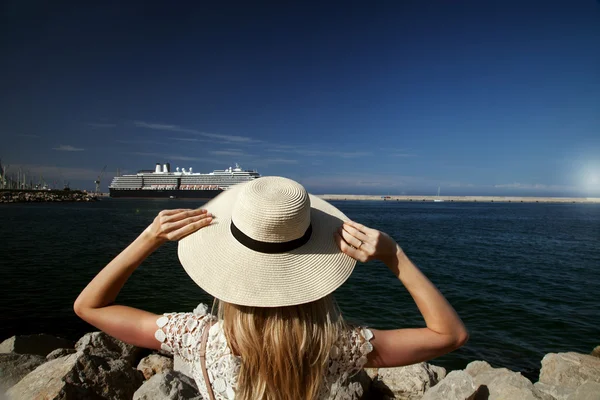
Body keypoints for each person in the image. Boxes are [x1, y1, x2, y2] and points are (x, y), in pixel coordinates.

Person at [74, 176, 468, 400]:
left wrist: (148, 238)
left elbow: (90, 307)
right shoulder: (333, 347)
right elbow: (450, 335)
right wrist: (394, 255)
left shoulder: (197, 337)